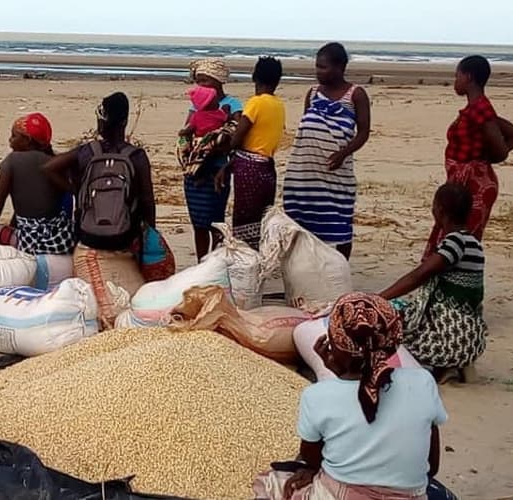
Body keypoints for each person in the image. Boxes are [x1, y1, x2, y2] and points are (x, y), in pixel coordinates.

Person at [255, 293, 447, 500]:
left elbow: (312, 457)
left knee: (271, 483)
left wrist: (339, 374)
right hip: (410, 495)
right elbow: (432, 466)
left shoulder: (319, 395)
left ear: (333, 344)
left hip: (339, 495)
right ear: (394, 340)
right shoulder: (422, 382)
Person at [44, 92, 156, 327]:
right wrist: (149, 236)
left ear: (100, 121)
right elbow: (147, 201)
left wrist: (76, 191)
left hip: (88, 237)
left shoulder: (87, 152)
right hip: (124, 239)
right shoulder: (136, 156)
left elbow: (49, 168)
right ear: (125, 122)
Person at [381, 183, 487, 382]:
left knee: (387, 317)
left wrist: (379, 298)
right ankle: (454, 366)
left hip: (449, 339)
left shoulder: (454, 243)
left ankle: (443, 365)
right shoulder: (474, 244)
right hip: (471, 339)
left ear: (439, 210)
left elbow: (419, 275)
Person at [424, 55, 513, 257]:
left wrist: (481, 162)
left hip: (476, 186)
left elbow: (503, 149)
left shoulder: (480, 109)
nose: (455, 81)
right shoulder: (476, 110)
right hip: (463, 183)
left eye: (457, 76)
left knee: (459, 241)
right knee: (448, 236)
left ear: (468, 77)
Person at [282, 43, 371, 260]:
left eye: (323, 67)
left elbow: (363, 132)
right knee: (302, 222)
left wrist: (342, 153)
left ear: (340, 67)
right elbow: (307, 125)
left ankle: (340, 267)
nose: (318, 72)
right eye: (317, 66)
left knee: (339, 222)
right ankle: (306, 267)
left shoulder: (356, 94)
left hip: (336, 173)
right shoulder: (313, 93)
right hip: (305, 172)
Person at [0, 112, 75, 256]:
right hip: (62, 241)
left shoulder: (13, 161)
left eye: (14, 136)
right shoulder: (57, 163)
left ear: (27, 140)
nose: (10, 140)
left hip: (31, 243)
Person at [220, 56, 286, 250]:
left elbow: (238, 136)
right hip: (267, 167)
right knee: (262, 219)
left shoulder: (256, 103)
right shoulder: (278, 105)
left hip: (249, 169)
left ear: (254, 77)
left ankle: (245, 258)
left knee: (244, 218)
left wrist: (225, 143)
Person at [183, 58, 244, 261]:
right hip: (195, 171)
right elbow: (187, 132)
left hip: (218, 171)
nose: (201, 85)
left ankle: (215, 262)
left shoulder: (232, 105)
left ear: (218, 81)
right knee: (198, 223)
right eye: (198, 81)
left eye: (205, 80)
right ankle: (201, 262)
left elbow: (236, 138)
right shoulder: (197, 105)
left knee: (216, 222)